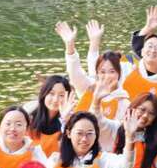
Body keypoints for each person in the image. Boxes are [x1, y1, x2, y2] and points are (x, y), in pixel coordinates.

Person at [56, 20, 130, 151]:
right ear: (97, 74)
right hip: (78, 149)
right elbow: (75, 74)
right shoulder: (89, 88)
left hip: (105, 154)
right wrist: (70, 46)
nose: (107, 76)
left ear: (119, 74)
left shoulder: (123, 101)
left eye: (112, 71)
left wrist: (94, 43)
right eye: (102, 72)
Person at [120, 6, 157, 100]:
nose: (153, 50)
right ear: (142, 51)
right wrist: (147, 28)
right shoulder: (127, 68)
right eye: (150, 46)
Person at [28, 75, 72, 157]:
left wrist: (65, 121)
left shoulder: (70, 120)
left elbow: (70, 150)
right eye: (51, 93)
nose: (55, 100)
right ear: (44, 94)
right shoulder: (29, 119)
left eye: (61, 95)